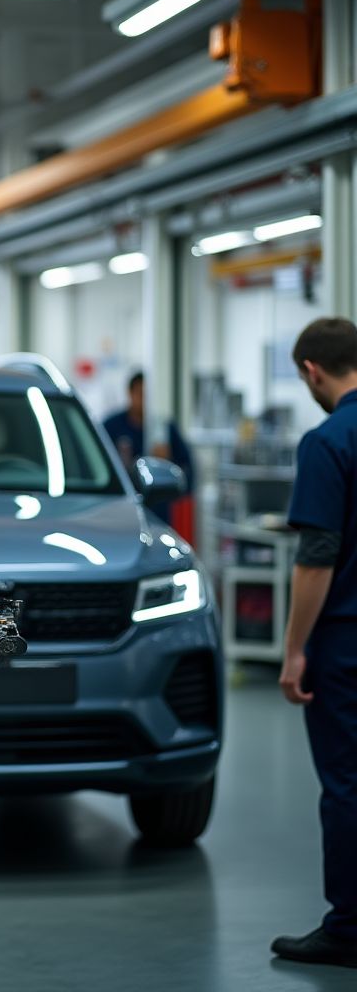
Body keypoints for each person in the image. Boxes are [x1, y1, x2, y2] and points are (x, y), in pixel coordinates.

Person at [271, 317, 357, 970]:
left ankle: (350, 927)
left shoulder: (328, 440)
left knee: (348, 782)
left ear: (311, 372)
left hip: (347, 643)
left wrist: (295, 647)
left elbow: (317, 556)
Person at [102, 370, 194, 523]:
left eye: (147, 395)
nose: (144, 400)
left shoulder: (164, 429)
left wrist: (167, 463)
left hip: (158, 513)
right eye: (140, 394)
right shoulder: (111, 427)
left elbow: (187, 470)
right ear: (130, 393)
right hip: (120, 509)